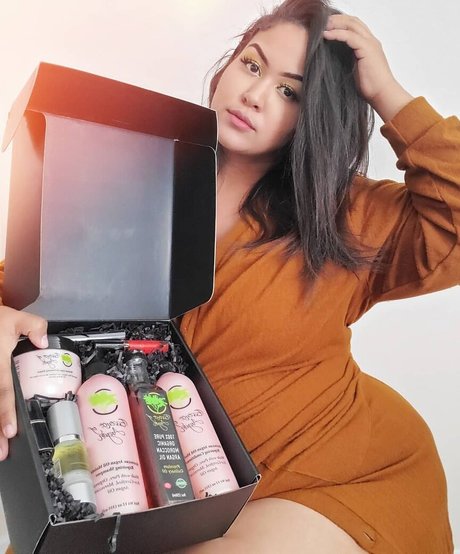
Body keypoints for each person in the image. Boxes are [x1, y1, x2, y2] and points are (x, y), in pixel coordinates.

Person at [1, 0, 459, 552]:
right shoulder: (128, 172)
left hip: (334, 472)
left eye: (290, 92)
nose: (255, 95)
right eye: (252, 65)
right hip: (161, 474)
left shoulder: (344, 215)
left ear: (316, 116)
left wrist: (388, 93)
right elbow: (28, 283)